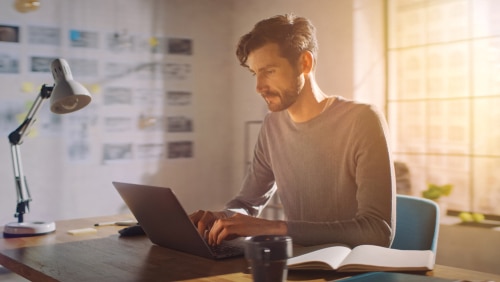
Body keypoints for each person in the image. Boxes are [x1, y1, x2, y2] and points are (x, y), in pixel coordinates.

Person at [190, 13, 395, 248]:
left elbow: (378, 232)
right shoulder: (272, 126)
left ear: (305, 63)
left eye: (269, 71)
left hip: (351, 270)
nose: (258, 87)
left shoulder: (363, 120)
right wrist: (223, 218)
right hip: (298, 264)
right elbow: (247, 202)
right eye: (255, 73)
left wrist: (275, 228)